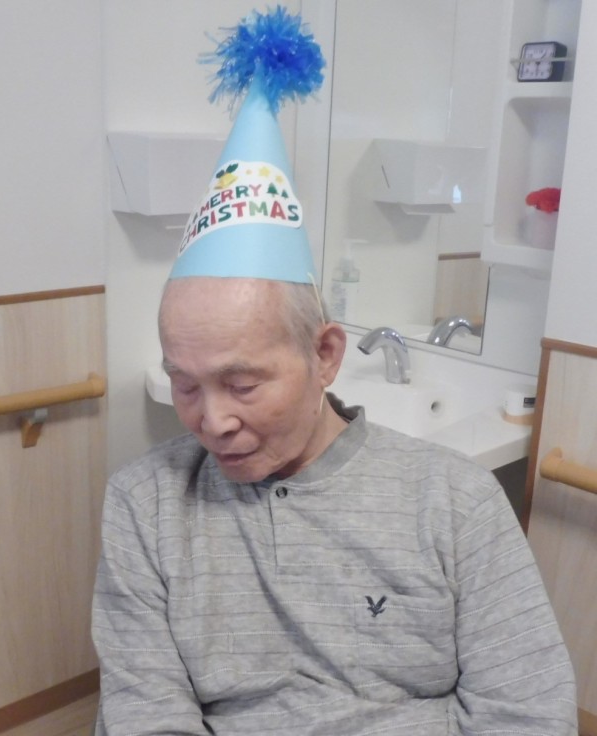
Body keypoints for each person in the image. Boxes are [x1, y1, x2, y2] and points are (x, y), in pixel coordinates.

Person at [92, 8, 577, 734]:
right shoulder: (146, 506)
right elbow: (145, 712)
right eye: (185, 384)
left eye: (243, 384)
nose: (212, 421)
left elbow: (527, 712)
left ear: (325, 355)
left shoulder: (455, 503)